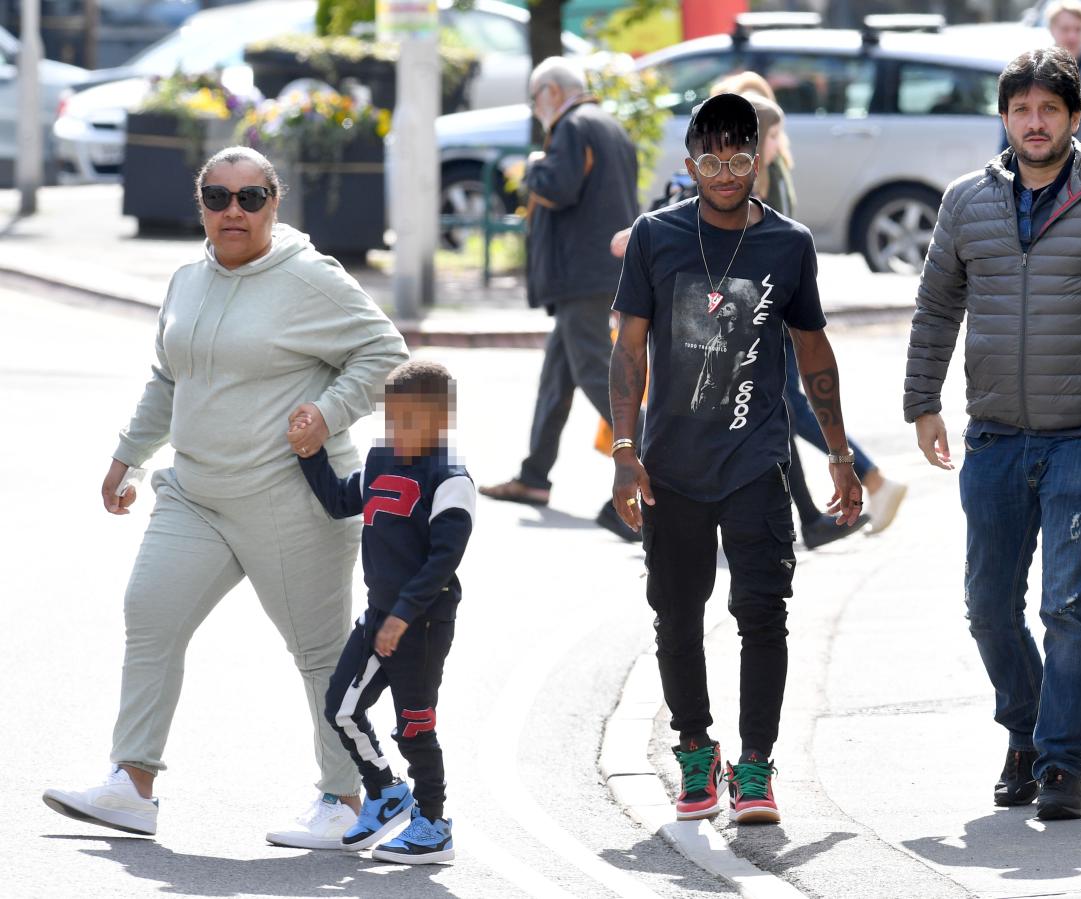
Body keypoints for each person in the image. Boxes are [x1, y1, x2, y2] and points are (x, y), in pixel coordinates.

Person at [42, 146, 410, 846]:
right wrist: (127, 455)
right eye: (218, 197)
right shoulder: (186, 279)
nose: (233, 211)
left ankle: (345, 796)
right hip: (196, 494)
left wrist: (327, 412)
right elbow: (167, 377)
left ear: (276, 201)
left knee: (319, 653)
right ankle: (132, 783)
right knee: (150, 611)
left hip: (289, 499)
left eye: (251, 197)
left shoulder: (312, 279)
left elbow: (385, 351)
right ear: (200, 204)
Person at [904, 48, 1081, 820]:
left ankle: (1061, 763)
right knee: (988, 607)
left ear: (1074, 116)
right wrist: (922, 402)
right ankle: (1024, 731)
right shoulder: (966, 202)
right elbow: (936, 309)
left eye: (1049, 110)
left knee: (1069, 605)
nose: (1035, 123)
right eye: (1022, 110)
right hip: (994, 437)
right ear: (1004, 118)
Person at [609, 93, 862, 825]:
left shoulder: (789, 244)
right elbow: (628, 351)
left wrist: (840, 454)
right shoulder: (656, 238)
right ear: (689, 164)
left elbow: (813, 349)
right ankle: (696, 748)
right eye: (712, 159)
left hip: (756, 462)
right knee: (676, 615)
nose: (726, 172)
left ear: (762, 158)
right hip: (672, 468)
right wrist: (625, 452)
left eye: (740, 157)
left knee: (762, 611)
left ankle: (755, 765)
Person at [291, 359, 473, 865]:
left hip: (423, 624)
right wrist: (309, 454)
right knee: (340, 707)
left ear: (440, 421)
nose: (398, 430)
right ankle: (387, 791)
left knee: (414, 725)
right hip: (378, 617)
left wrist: (403, 616)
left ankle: (434, 826)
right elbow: (337, 501)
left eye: (410, 421)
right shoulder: (380, 460)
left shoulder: (450, 478)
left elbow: (444, 560)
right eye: (391, 419)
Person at [714, 75, 909, 538]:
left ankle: (870, 480)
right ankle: (813, 515)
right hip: (769, 304)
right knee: (778, 408)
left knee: (787, 406)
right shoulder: (769, 169)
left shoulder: (758, 178)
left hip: (763, 307)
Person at [479, 56, 641, 542]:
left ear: (551, 91)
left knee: (594, 370)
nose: (535, 109)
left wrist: (531, 166)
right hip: (601, 268)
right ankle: (533, 476)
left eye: (534, 99)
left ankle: (657, 461)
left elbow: (558, 186)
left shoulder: (572, 127)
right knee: (558, 375)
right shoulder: (609, 125)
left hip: (581, 273)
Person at [999, 0, 1081, 166]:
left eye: (1078, 29)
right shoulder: (1031, 74)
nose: (1072, 36)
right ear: (1052, 29)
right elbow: (1012, 130)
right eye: (1065, 29)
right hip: (1038, 172)